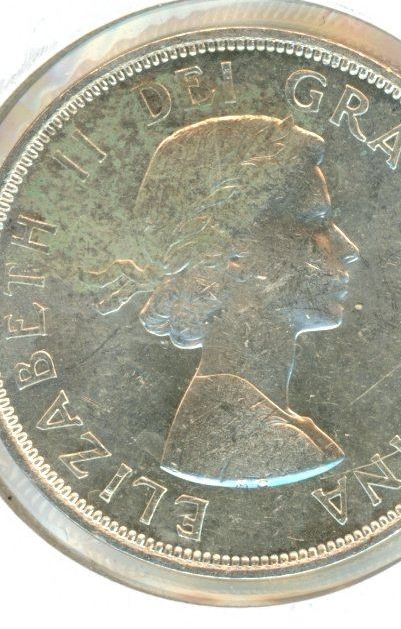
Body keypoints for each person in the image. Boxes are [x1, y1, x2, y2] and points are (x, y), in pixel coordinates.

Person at [96, 114, 359, 488]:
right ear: (235, 254)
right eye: (315, 223)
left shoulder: (268, 425)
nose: (348, 249)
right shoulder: (245, 434)